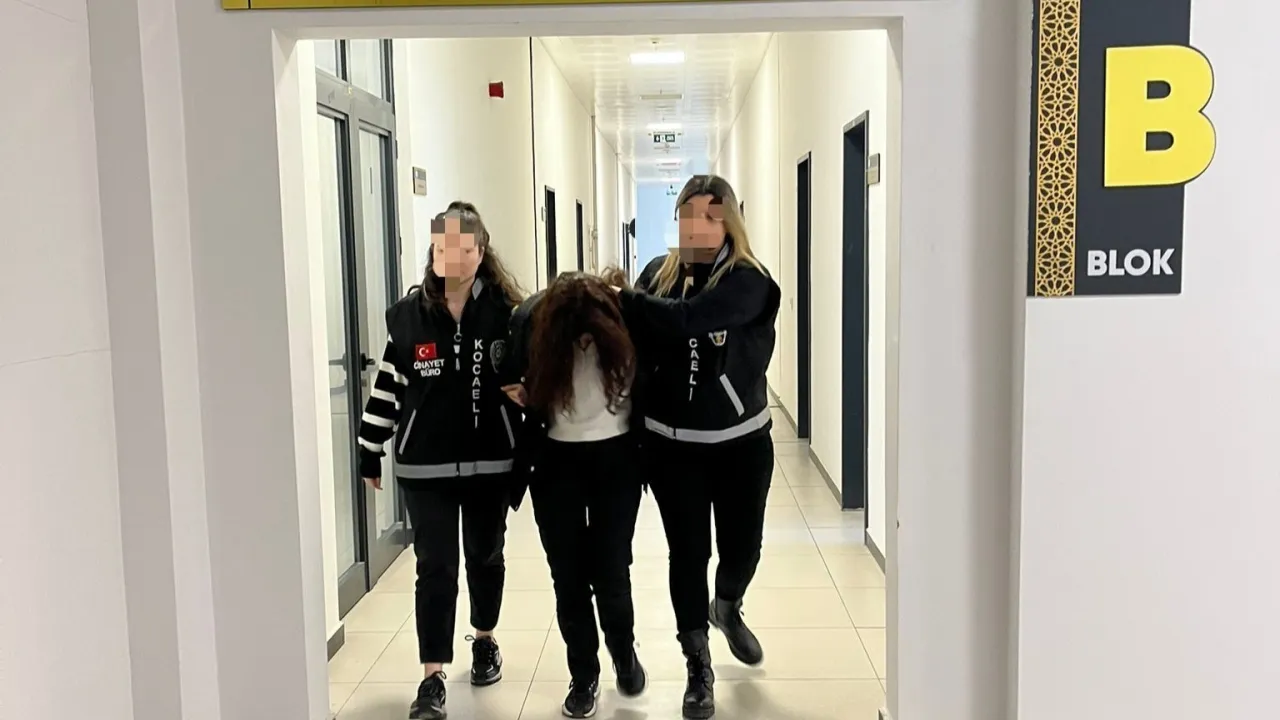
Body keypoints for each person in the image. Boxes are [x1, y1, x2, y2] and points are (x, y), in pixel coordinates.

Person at [614, 175, 781, 720]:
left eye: (710, 217)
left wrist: (625, 300)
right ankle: (697, 665)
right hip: (673, 450)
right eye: (688, 215)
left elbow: (691, 320)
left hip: (741, 447)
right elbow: (630, 345)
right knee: (687, 555)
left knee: (742, 549)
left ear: (729, 221)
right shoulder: (656, 278)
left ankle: (726, 605)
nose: (697, 227)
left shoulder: (751, 282)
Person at [357, 201, 524, 720]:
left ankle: (485, 639)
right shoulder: (410, 317)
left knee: (485, 556)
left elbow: (529, 378)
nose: (448, 257)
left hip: (489, 464)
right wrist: (369, 447)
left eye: (460, 248)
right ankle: (432, 676)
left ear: (481, 251)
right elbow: (389, 385)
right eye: (439, 248)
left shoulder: (507, 313)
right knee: (435, 567)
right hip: (425, 467)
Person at [499, 270, 648, 718]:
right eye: (576, 334)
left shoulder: (627, 327)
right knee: (568, 576)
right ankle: (583, 675)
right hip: (554, 462)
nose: (584, 342)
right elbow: (502, 364)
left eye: (589, 334)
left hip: (616, 460)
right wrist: (512, 385)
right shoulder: (535, 329)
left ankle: (623, 651)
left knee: (612, 569)